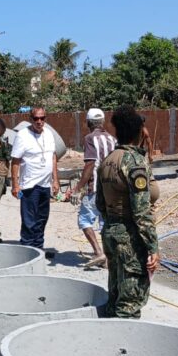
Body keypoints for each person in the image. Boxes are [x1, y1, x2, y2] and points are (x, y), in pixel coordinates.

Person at [96, 105, 160, 318]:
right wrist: (152, 247)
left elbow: (100, 204)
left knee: (115, 295)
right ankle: (123, 338)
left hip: (111, 232)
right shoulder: (134, 162)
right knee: (130, 303)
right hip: (130, 238)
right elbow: (141, 212)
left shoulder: (107, 161)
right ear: (138, 131)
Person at [65, 108, 116, 268]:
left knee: (84, 220)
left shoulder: (89, 138)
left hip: (94, 188)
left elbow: (90, 165)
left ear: (88, 122)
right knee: (104, 222)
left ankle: (98, 252)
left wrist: (78, 188)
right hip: (110, 189)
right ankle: (108, 258)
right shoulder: (112, 139)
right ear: (103, 121)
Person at [10, 106, 58, 252]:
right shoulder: (23, 135)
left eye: (42, 118)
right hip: (29, 185)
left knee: (42, 219)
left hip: (45, 184)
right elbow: (15, 161)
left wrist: (55, 180)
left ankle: (38, 249)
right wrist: (15, 185)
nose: (39, 121)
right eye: (36, 118)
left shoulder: (49, 134)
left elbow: (53, 157)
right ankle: (28, 251)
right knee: (29, 221)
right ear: (30, 119)